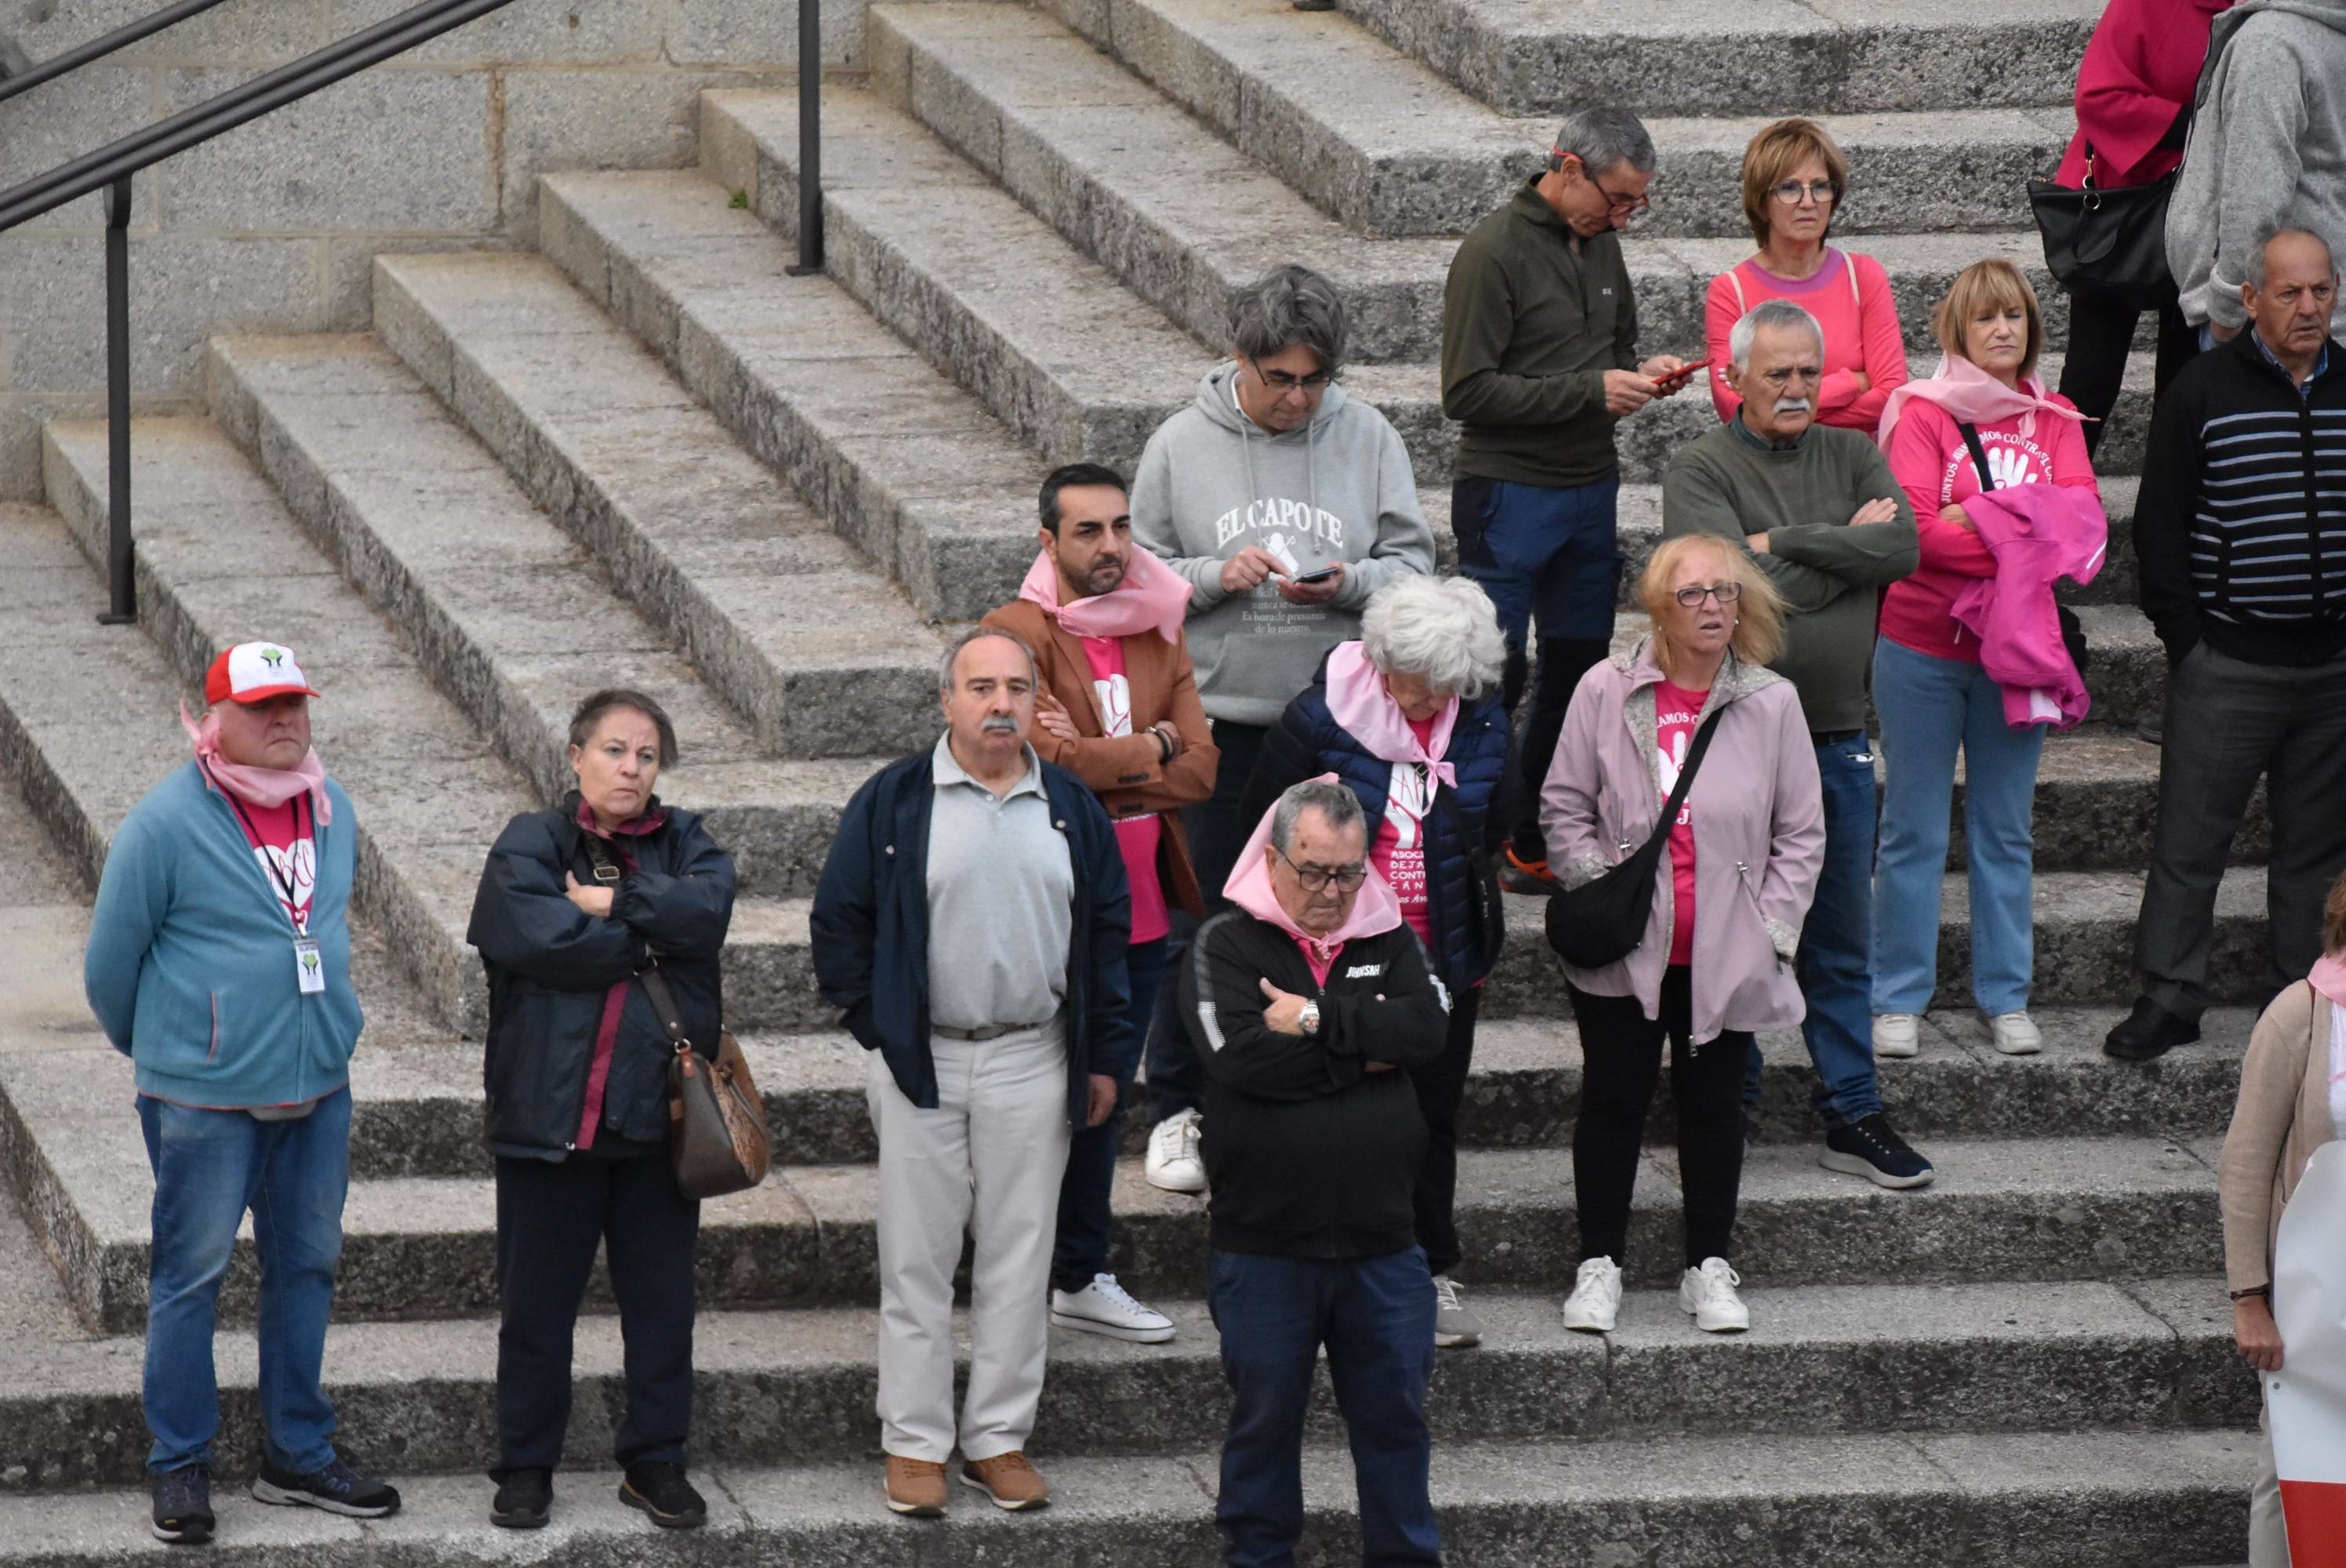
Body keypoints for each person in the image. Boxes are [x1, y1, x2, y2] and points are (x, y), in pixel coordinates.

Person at [810, 628, 1133, 1517]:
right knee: (914, 1260)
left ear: (1038, 703)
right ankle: (914, 1443)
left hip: (1034, 1052)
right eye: (980, 686)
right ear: (947, 700)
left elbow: (1108, 934)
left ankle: (998, 1437)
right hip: (924, 1058)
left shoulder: (1068, 802)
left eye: (1016, 688)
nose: (1000, 703)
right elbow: (840, 922)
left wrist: (1104, 1054)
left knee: (1019, 1258)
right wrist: (879, 1028)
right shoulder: (893, 801)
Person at [83, 641, 396, 1546]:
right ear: (212, 719)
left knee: (308, 1265)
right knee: (192, 1278)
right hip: (204, 1098)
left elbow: (322, 925)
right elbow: (111, 964)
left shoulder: (331, 806)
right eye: (263, 707)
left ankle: (297, 1450)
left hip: (318, 1084)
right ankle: (179, 1461)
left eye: (295, 702)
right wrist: (174, 1050)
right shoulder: (165, 822)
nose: (285, 720)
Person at [1131, 263, 1434, 1195]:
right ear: (1240, 360)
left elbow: (1413, 561)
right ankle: (1179, 1103)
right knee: (1204, 921)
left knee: (1341, 914)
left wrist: (1345, 583)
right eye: (1279, 379)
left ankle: (1331, 1078)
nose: (1298, 398)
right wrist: (1218, 576)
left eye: (1314, 380)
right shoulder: (1181, 443)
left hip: (1342, 724)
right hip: (1218, 724)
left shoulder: (1369, 434)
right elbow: (1134, 577)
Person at [1660, 298, 1933, 1190]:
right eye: (1776, 372)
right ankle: (1721, 1107)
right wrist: (1831, 556)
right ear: (1731, 378)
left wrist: (1782, 548)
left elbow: (1898, 548)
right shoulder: (1699, 465)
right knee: (1730, 932)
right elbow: (1717, 592)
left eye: (1809, 371)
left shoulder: (1853, 451)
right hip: (1730, 742)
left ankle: (1852, 1108)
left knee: (1838, 940)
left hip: (1835, 738)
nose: (1795, 387)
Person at [466, 689, 737, 1532]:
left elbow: (711, 911)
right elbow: (533, 939)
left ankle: (655, 1459)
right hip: (550, 1118)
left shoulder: (688, 840)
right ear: (577, 754)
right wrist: (652, 933)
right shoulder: (531, 840)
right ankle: (525, 1464)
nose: (630, 767)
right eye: (615, 749)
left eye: (646, 754)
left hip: (660, 1121)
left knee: (662, 1306)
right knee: (535, 1307)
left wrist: (608, 903)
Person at [1542, 538, 1824, 1337]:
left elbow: (1801, 830)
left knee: (1713, 1109)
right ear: (1660, 606)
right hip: (1627, 947)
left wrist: (1772, 927)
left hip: (1725, 949)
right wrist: (1600, 882)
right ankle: (1599, 1261)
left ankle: (1707, 1262)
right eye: (1694, 593)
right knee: (1612, 1100)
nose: (1713, 607)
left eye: (1725, 592)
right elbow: (1562, 805)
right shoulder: (1606, 687)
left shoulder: (1771, 701)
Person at [1181, 779, 1451, 1568]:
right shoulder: (1225, 943)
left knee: (1396, 1420)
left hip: (1384, 1242)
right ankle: (1259, 1556)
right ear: (1272, 859)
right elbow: (1240, 1059)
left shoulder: (1391, 936)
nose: (1333, 892)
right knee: (1263, 1419)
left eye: (1348, 872)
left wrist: (1311, 1019)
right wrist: (1365, 1051)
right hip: (1264, 1242)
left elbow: (1428, 1030)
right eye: (1313, 871)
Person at [981, 462, 1218, 1345]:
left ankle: (1079, 1272)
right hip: (1050, 905)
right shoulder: (1012, 635)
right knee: (1032, 1095)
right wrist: (1141, 749)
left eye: (1121, 526)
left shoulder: (1159, 623)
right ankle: (1021, 1270)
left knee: (1102, 1098)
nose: (1112, 546)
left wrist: (1115, 757)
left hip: (1144, 905)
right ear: (1049, 541)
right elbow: (1043, 763)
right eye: (1088, 531)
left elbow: (1200, 765)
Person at [1242, 576, 1511, 1351]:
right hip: (1333, 961)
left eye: (1445, 686)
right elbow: (1261, 825)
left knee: (1428, 1120)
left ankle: (1429, 1267)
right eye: (1414, 684)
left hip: (1445, 960)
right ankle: (1315, 1277)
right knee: (1329, 1116)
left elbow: (1500, 816)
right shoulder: (1321, 718)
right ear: (1379, 659)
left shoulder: (1482, 718)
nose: (1428, 701)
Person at [1440, 104, 1694, 897]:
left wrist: (1638, 374)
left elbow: (1608, 354)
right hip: (1510, 491)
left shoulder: (1604, 246)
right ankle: (1463, 841)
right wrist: (1590, 389)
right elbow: (1466, 390)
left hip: (1590, 487)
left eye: (1636, 203)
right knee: (1495, 674)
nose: (1624, 216)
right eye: (1617, 198)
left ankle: (1531, 838)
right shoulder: (1492, 251)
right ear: (1568, 167)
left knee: (1580, 670)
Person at [2112, 228, 2346, 1061]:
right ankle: (2169, 995)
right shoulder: (2200, 389)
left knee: (2316, 847)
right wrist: (2188, 642)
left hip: (2330, 669)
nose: (2309, 307)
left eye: (2320, 289)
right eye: (2289, 293)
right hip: (2227, 664)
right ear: (2249, 300)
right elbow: (2159, 523)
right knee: (2188, 841)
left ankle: (2301, 995)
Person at [1872, 261, 2104, 1061]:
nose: (2001, 330)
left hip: (2017, 656)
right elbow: (1913, 531)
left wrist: (1974, 521)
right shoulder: (1922, 414)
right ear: (1957, 334)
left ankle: (2005, 996)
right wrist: (2018, 533)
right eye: (1984, 320)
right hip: (1918, 648)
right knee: (1911, 827)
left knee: (2003, 831)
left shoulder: (2057, 415)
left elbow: (2077, 531)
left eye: (2012, 315)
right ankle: (1896, 995)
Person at [2216, 866, 2346, 1567]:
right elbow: (2245, 1165)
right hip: (2317, 1290)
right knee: (2294, 1464)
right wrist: (2249, 1299)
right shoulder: (2300, 1014)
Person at [2053, 0, 2233, 456]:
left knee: (2185, 387)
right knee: (2090, 381)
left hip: (2203, 216)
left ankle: (2165, 522)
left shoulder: (2257, 11)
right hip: (2121, 213)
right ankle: (2057, 509)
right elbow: (2099, 95)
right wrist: (2196, 126)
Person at [1703, 118, 1908, 434]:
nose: (1809, 202)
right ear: (1762, 202)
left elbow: (1892, 398)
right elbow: (1737, 411)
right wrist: (1851, 382)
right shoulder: (1731, 291)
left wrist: (1780, 407)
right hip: (1772, 472)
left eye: (1821, 187)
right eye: (1789, 188)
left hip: (1854, 468)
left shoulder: (1864, 276)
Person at [2168, 0, 2346, 347]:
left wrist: (2230, 306)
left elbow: (2254, 195)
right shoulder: (2324, 27)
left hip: (2271, 316)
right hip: (2314, 303)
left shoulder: (2270, 44)